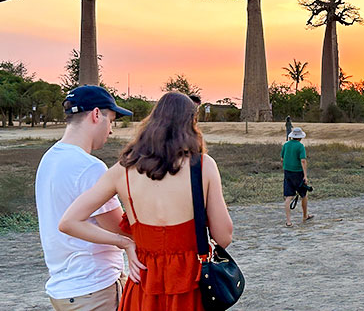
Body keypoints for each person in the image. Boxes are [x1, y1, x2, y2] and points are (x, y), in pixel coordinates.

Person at [59, 92, 233, 311]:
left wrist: (125, 242)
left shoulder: (122, 170)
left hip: (142, 284)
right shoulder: (203, 166)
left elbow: (68, 222)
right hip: (190, 284)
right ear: (191, 123)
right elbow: (224, 237)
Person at [35, 85, 133, 310]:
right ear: (96, 114)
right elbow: (119, 228)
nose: (111, 130)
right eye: (111, 120)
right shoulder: (89, 167)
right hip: (94, 286)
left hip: (65, 287)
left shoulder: (49, 158)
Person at [281, 127, 314, 227]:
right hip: (298, 173)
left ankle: (288, 221)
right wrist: (305, 176)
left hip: (287, 172)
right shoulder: (300, 146)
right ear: (300, 137)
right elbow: (303, 161)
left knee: (288, 197)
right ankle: (305, 215)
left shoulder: (285, 145)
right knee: (304, 195)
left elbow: (282, 159)